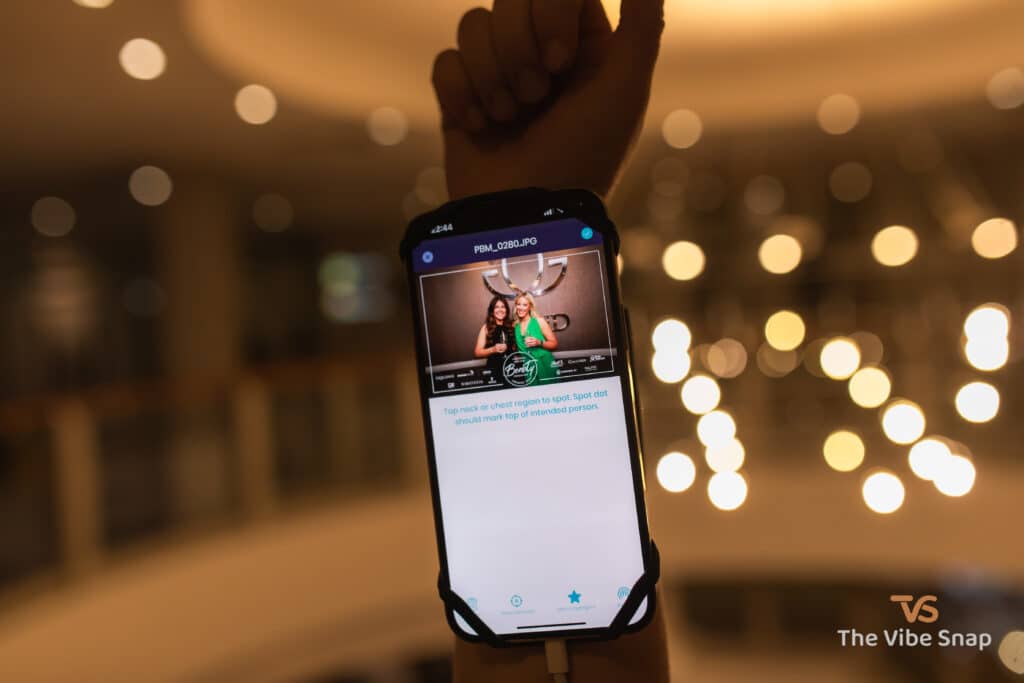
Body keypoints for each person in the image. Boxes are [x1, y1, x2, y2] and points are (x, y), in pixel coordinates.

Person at [432, 0, 669, 680]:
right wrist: (545, 200)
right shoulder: (502, 329)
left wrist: (526, 207)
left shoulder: (531, 325)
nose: (520, 305)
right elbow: (490, 351)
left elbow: (545, 348)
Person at [512, 292, 558, 384]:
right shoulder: (515, 326)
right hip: (529, 367)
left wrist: (539, 342)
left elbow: (554, 344)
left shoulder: (539, 321)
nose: (521, 307)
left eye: (525, 305)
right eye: (518, 304)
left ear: (530, 307)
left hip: (544, 363)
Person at [474, 296, 514, 383]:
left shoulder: (512, 325)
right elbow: (477, 352)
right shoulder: (486, 327)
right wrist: (493, 349)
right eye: (497, 307)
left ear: (506, 310)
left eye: (503, 307)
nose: (500, 310)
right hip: (494, 371)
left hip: (512, 370)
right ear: (492, 310)